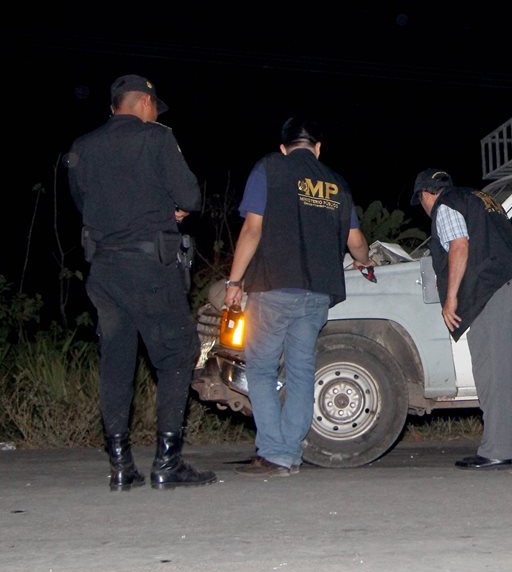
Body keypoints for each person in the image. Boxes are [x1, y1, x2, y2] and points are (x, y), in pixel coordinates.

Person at [65, 74, 216, 490]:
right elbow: (189, 197)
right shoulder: (157, 138)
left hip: (105, 272)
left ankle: (120, 465)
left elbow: (85, 205)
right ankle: (167, 461)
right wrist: (172, 211)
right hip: (149, 268)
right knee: (178, 352)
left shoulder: (82, 147)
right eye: (155, 107)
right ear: (145, 104)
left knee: (117, 362)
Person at [224, 118, 373, 478]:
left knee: (260, 368)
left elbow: (252, 228)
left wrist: (234, 280)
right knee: (301, 371)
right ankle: (289, 452)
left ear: (284, 147)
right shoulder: (336, 182)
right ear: (318, 148)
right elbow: (356, 240)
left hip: (274, 287)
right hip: (317, 293)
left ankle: (275, 452)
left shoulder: (270, 168)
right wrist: (365, 261)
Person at [412, 168, 512, 469]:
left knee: (491, 371)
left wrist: (451, 297)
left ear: (426, 195)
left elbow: (459, 245)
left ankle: (495, 450)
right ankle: (504, 447)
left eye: (421, 201)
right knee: (506, 375)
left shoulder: (446, 206)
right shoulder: (483, 199)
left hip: (495, 291)